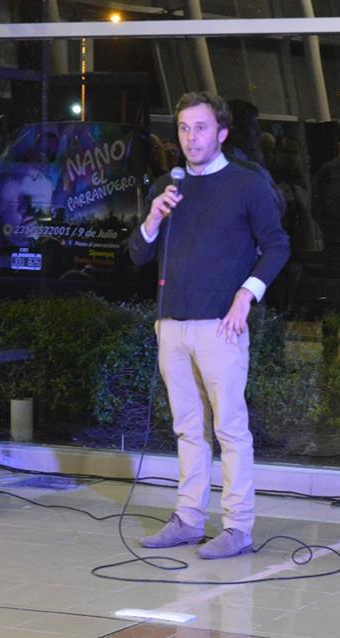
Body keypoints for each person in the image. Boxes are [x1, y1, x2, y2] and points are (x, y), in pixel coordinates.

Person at [129, 91, 289, 559]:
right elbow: (137, 255)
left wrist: (246, 295)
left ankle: (238, 527)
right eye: (183, 128)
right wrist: (152, 219)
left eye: (200, 128)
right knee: (187, 428)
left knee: (230, 430)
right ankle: (188, 518)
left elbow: (277, 245)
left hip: (221, 326)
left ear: (221, 133)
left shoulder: (246, 184)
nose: (190, 137)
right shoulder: (169, 186)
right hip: (172, 326)